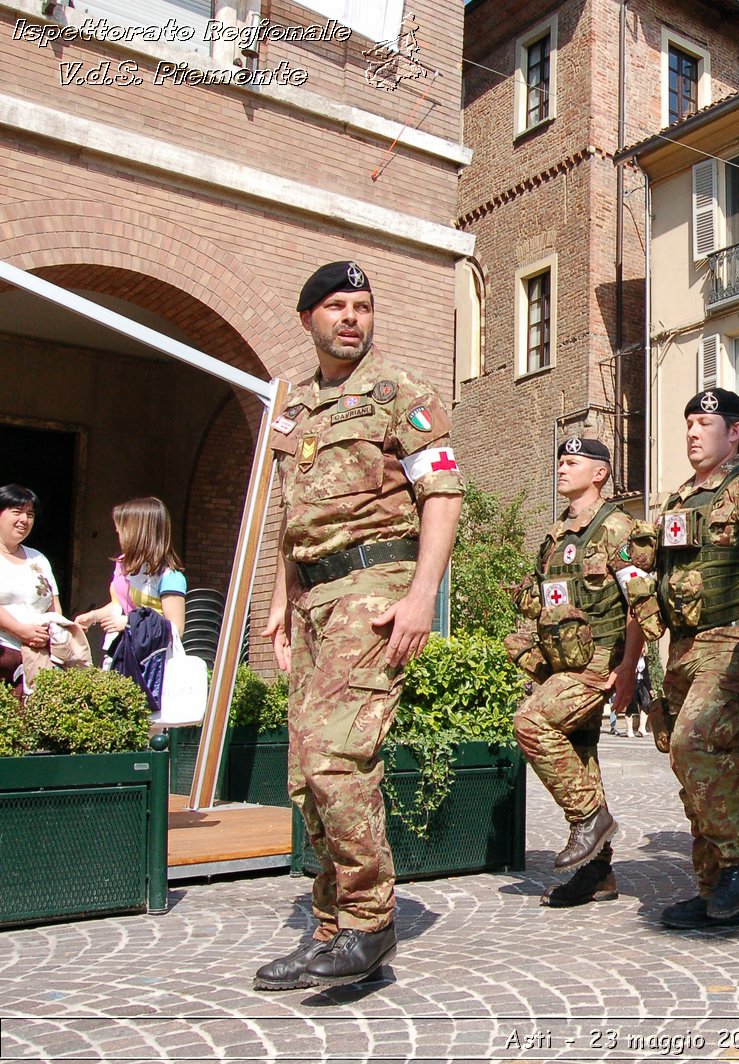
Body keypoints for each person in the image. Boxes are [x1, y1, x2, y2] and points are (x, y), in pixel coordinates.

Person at [253, 261, 464, 991]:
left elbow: (443, 492)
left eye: (363, 306)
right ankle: (331, 930)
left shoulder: (400, 393)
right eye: (336, 306)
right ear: (307, 317)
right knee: (307, 774)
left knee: (337, 756)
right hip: (312, 598)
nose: (351, 317)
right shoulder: (294, 405)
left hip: (375, 587)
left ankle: (371, 923)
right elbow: (290, 513)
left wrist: (421, 598)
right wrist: (280, 601)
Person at [651, 388, 739, 931]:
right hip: (683, 647)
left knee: (695, 744)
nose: (691, 432)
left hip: (732, 641)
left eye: (704, 423)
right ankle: (716, 895)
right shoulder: (679, 499)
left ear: (734, 432)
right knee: (696, 771)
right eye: (688, 422)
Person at [509, 437, 657, 909]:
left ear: (600, 473)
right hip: (561, 666)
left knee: (531, 722)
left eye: (572, 462)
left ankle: (591, 816)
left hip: (599, 668)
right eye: (560, 461)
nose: (561, 468)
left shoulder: (618, 528)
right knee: (580, 756)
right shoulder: (554, 538)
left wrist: (629, 669)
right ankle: (596, 872)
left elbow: (640, 605)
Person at [76, 497, 188, 650]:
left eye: (121, 531)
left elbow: (175, 630)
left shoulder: (170, 577)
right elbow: (119, 605)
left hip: (152, 662)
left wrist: (130, 623)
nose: (119, 537)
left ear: (137, 533)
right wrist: (94, 616)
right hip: (121, 652)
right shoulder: (123, 564)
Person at [0, 485, 66, 697]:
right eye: (17, 512)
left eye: (30, 514)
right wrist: (19, 630)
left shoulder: (38, 558)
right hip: (4, 651)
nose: (24, 520)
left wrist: (57, 634)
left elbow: (53, 604)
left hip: (38, 657)